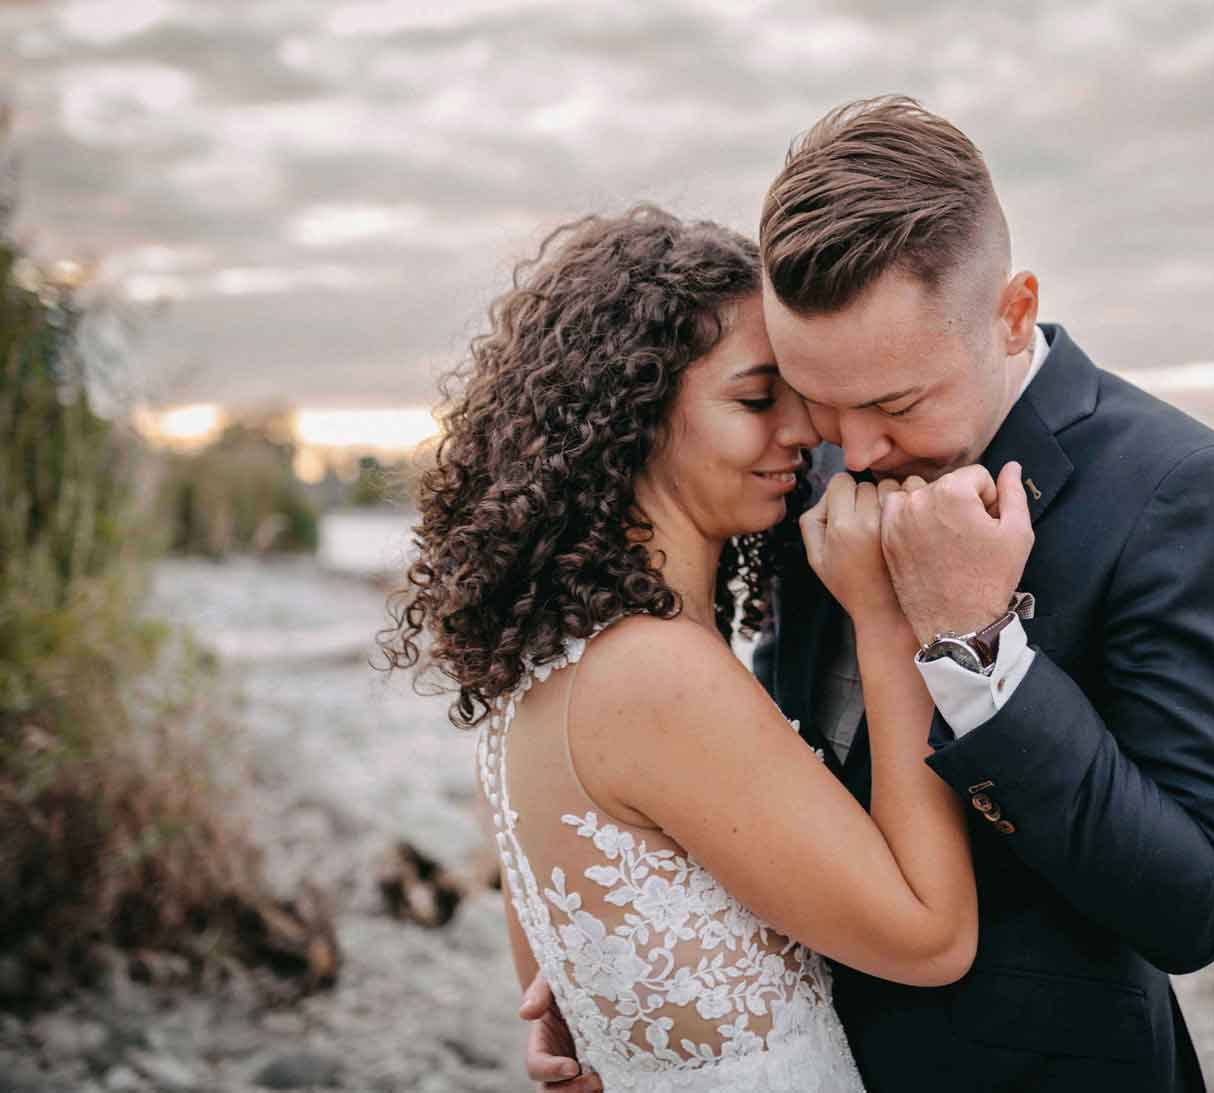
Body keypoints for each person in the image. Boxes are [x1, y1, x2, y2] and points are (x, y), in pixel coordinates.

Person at [524, 98, 1214, 1091]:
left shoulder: (1174, 489)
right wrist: (637, 961)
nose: (851, 450)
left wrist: (977, 645)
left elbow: (1196, 908)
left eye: (894, 404)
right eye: (818, 397)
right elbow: (772, 751)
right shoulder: (809, 459)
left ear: (1011, 314)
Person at [380, 206, 996, 1092]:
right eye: (756, 399)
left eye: (796, 394)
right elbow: (932, 938)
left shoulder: (543, 665)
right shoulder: (656, 671)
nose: (805, 431)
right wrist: (889, 620)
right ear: (629, 420)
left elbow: (564, 990)